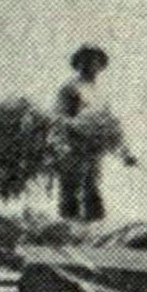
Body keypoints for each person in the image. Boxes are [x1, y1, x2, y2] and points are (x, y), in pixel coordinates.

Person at [53, 45, 132, 223]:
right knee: (71, 189)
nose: (90, 65)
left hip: (93, 149)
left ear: (100, 66)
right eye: (86, 61)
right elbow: (59, 118)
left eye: (94, 61)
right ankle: (69, 228)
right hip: (72, 146)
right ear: (78, 64)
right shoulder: (70, 89)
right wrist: (79, 129)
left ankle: (93, 228)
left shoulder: (100, 94)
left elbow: (110, 125)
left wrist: (125, 153)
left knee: (92, 187)